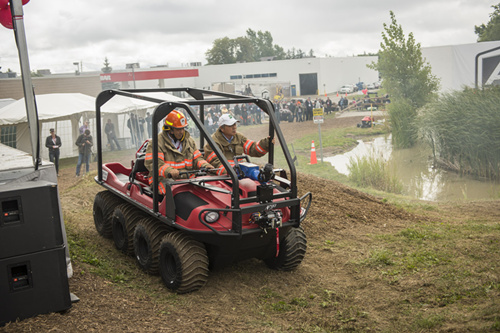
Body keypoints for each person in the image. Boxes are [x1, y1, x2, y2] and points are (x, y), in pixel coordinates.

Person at [144, 110, 213, 194]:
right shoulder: (156, 142)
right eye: (178, 129)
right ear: (170, 130)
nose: (182, 132)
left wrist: (205, 165)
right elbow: (153, 164)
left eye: (183, 128)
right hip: (163, 180)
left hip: (187, 179)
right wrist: (169, 170)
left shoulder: (189, 141)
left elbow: (197, 158)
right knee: (175, 196)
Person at [203, 113, 275, 175]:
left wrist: (266, 143)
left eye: (234, 124)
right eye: (230, 125)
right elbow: (215, 163)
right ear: (222, 128)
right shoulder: (213, 141)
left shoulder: (239, 137)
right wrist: (233, 172)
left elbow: (253, 149)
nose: (234, 127)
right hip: (223, 178)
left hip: (239, 174)